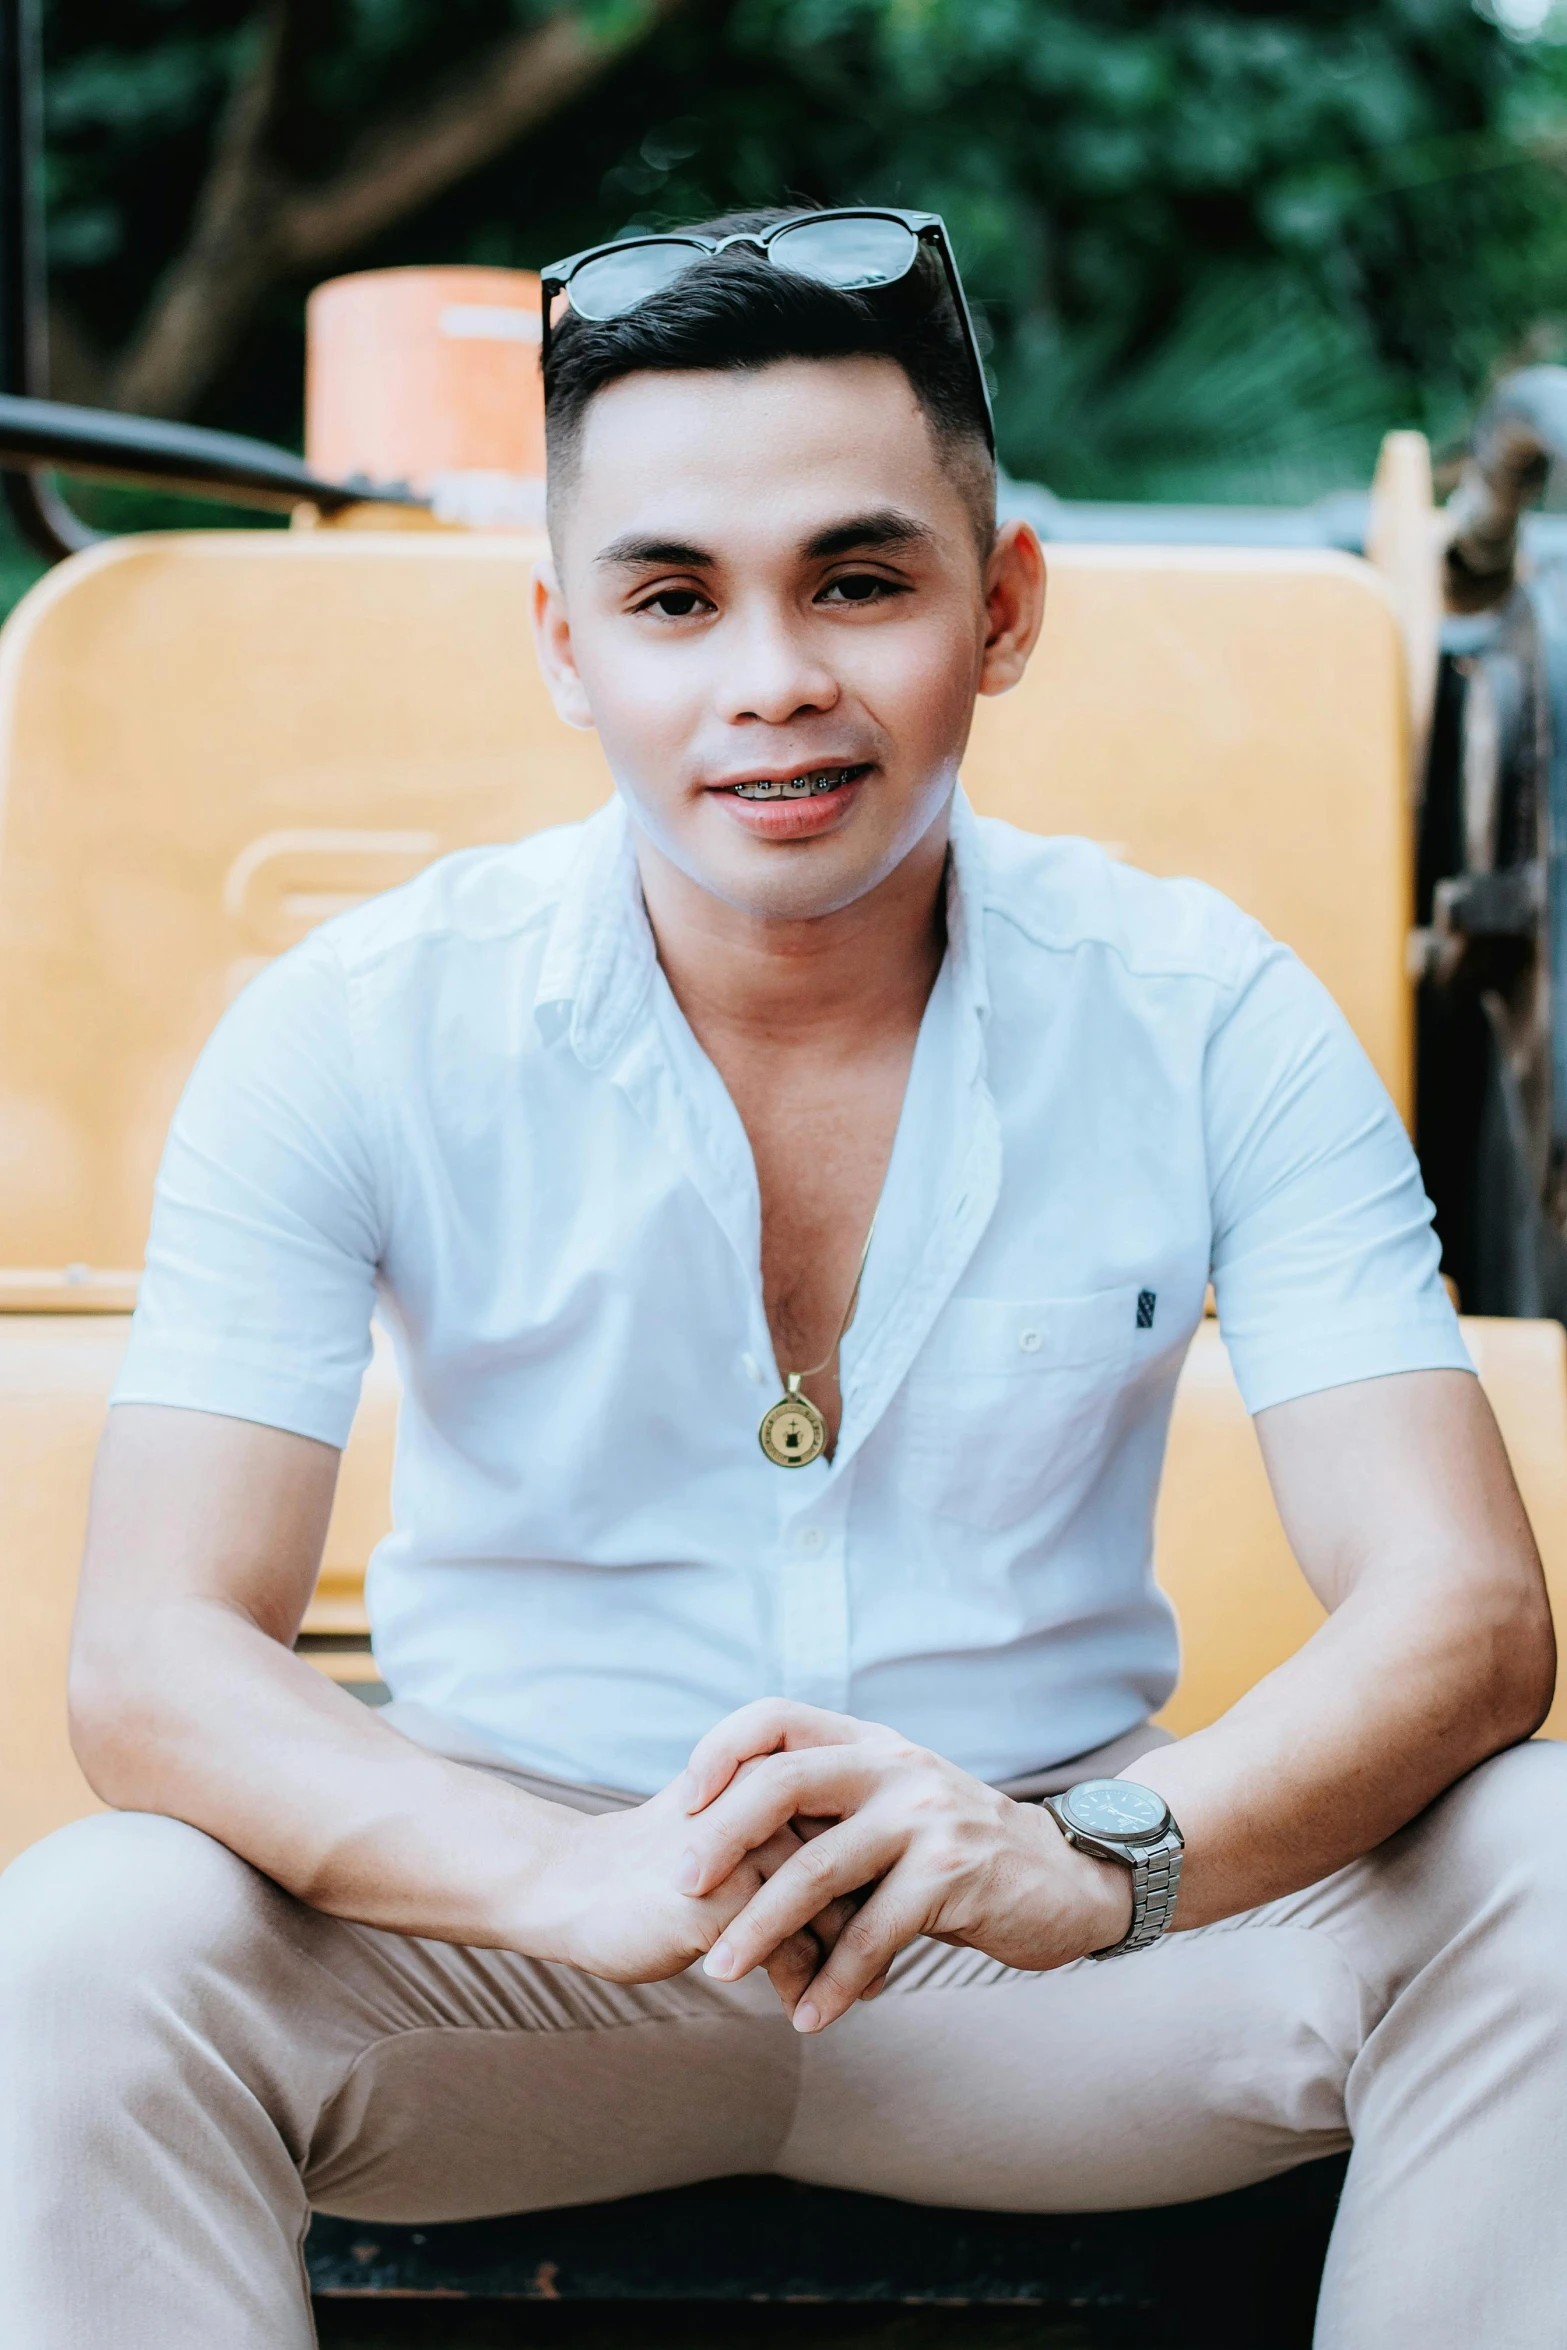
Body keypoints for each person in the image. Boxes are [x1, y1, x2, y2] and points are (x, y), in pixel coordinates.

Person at [0, 204, 1560, 2350]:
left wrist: (1106, 1857)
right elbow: (156, 1661)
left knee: (1554, 1867)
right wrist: (557, 1875)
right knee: (85, 1939)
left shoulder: (1207, 1008)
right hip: (519, 1962)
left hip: (1056, 1951)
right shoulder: (357, 1022)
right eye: (671, 597)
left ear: (997, 606)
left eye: (857, 578)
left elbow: (1468, 1612)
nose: (773, 681)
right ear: (564, 641)